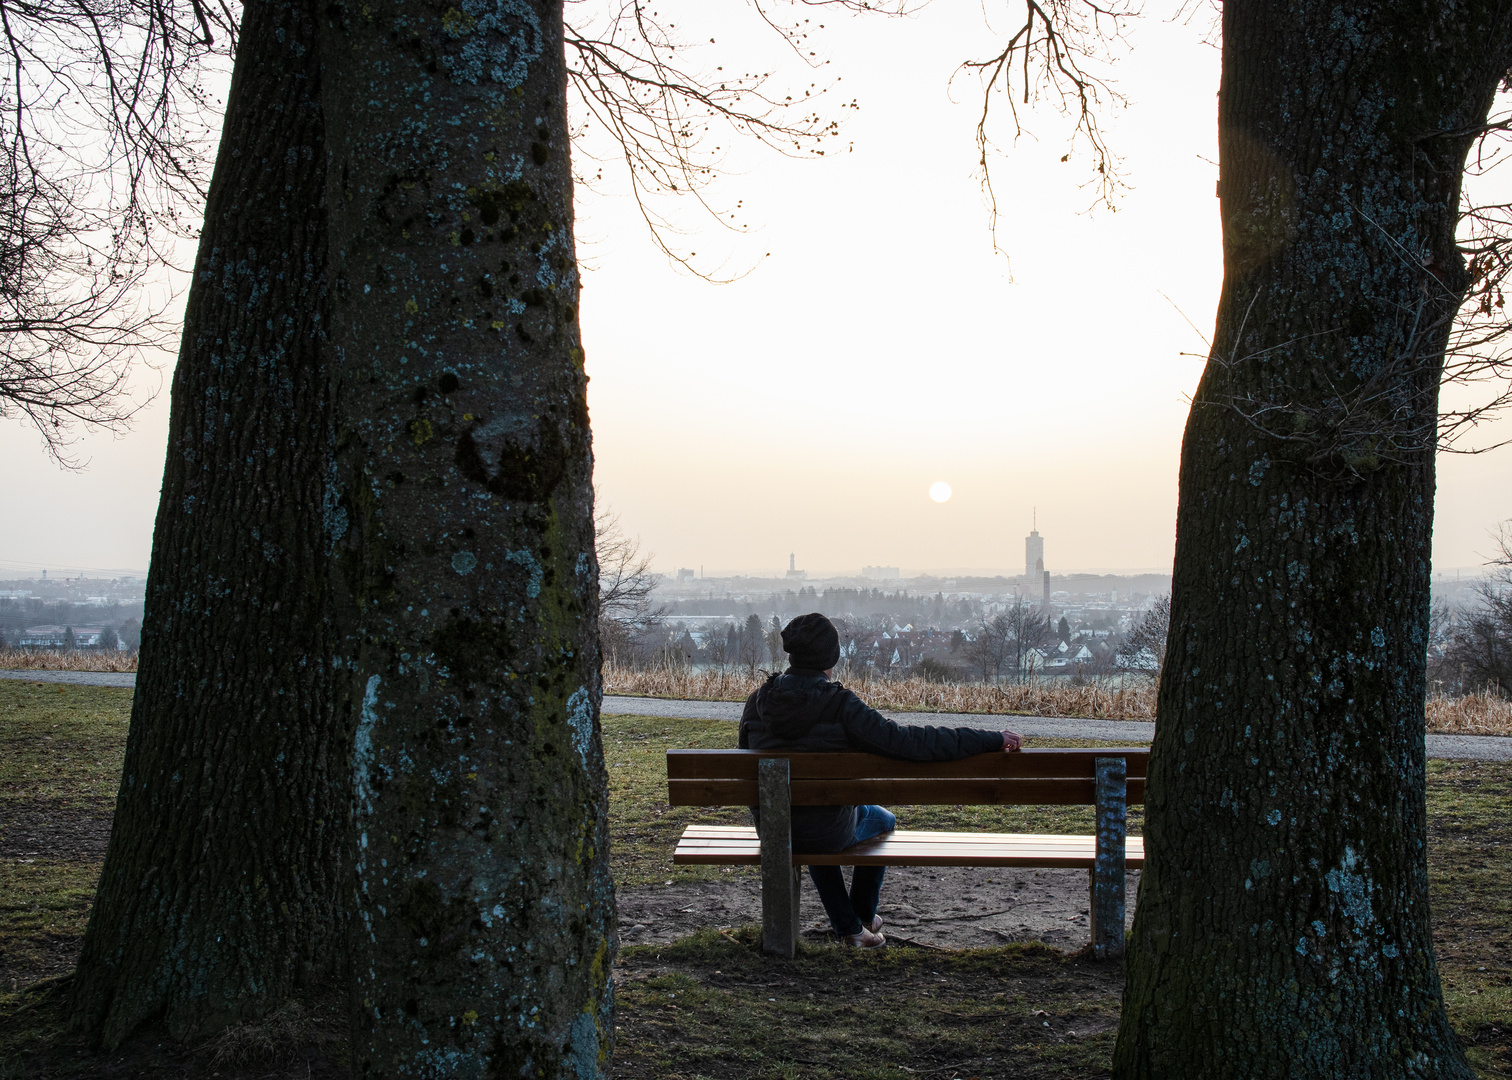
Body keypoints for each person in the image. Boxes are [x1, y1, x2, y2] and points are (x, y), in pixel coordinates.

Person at [739, 612, 1023, 948]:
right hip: (827, 830)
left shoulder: (758, 701)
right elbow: (909, 742)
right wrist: (990, 739)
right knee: (879, 820)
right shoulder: (841, 704)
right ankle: (858, 918)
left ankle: (853, 928)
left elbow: (745, 758)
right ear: (832, 657)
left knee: (808, 822)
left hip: (773, 827)